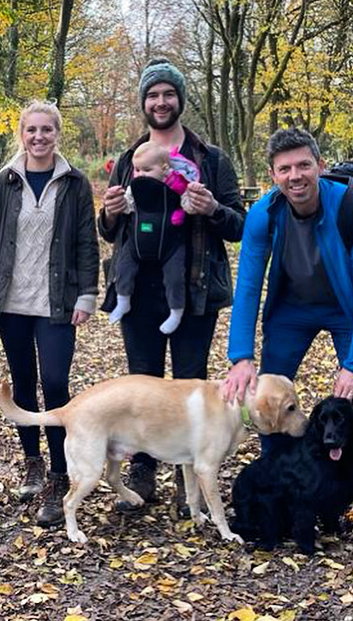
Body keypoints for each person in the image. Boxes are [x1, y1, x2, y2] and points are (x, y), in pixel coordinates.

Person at [222, 127, 353, 545]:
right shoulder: (264, 213)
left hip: (347, 307)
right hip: (291, 310)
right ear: (272, 175)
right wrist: (241, 355)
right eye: (284, 169)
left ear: (320, 166)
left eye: (303, 165)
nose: (295, 176)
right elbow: (247, 285)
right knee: (271, 405)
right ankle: (277, 496)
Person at [98, 58, 245, 512]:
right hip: (140, 291)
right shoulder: (129, 158)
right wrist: (109, 212)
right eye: (152, 95)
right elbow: (109, 231)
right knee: (143, 386)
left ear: (180, 99)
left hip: (195, 290)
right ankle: (144, 472)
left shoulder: (211, 159)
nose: (160, 102)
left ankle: (192, 485)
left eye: (168, 94)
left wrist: (212, 209)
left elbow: (240, 225)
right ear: (143, 103)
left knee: (189, 385)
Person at [0, 101, 99, 526]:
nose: (39, 137)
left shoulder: (75, 183)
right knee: (23, 381)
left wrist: (87, 293)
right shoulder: (5, 181)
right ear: (21, 134)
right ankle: (32, 462)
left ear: (57, 133)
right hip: (12, 301)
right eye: (32, 130)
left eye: (47, 130)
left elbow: (86, 241)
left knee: (56, 382)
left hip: (57, 301)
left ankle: (60, 473)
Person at [107, 141, 193, 333]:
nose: (140, 175)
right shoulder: (134, 187)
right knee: (123, 266)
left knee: (175, 277)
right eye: (137, 170)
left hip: (171, 243)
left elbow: (188, 201)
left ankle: (176, 311)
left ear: (164, 169)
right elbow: (127, 205)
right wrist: (115, 206)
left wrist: (192, 204)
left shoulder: (176, 185)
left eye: (146, 169)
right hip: (137, 240)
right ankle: (123, 300)